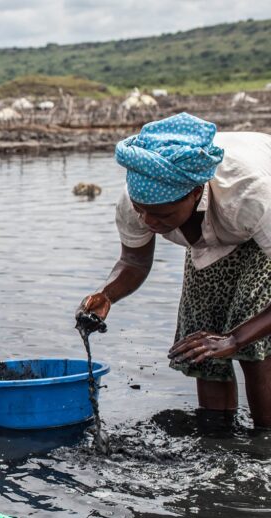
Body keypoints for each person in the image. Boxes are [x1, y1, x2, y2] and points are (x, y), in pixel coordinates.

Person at [78, 112, 271, 426]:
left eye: (162, 215)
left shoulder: (250, 193)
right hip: (216, 232)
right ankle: (216, 437)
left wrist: (234, 340)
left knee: (253, 340)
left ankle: (264, 445)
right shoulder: (139, 201)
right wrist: (106, 295)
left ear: (196, 193)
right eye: (142, 212)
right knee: (200, 344)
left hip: (259, 220)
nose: (148, 222)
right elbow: (134, 261)